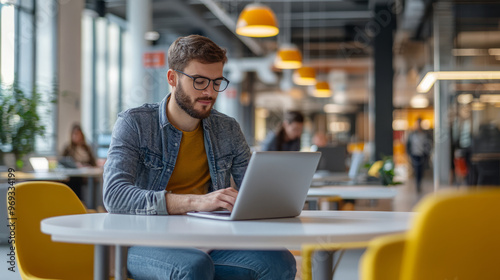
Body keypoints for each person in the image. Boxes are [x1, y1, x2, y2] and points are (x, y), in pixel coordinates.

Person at [103, 35, 296, 280]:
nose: (209, 92)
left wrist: (273, 196)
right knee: (193, 267)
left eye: (217, 82)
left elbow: (252, 190)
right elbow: (115, 196)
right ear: (172, 78)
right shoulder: (135, 123)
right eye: (200, 81)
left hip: (210, 240)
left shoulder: (227, 128)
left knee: (280, 263)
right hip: (146, 242)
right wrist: (196, 202)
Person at [61, 124, 97, 199]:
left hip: (85, 176)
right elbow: (62, 161)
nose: (76, 136)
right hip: (72, 176)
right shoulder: (68, 148)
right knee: (73, 181)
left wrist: (85, 166)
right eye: (74, 134)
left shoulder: (86, 148)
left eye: (78, 134)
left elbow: (93, 163)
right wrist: (75, 165)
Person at [406, 118, 432, 193]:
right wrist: (409, 154)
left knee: (421, 170)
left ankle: (419, 183)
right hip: (415, 155)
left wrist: (427, 153)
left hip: (422, 155)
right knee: (417, 170)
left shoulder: (425, 135)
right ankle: (417, 184)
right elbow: (408, 145)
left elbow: (428, 144)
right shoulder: (412, 135)